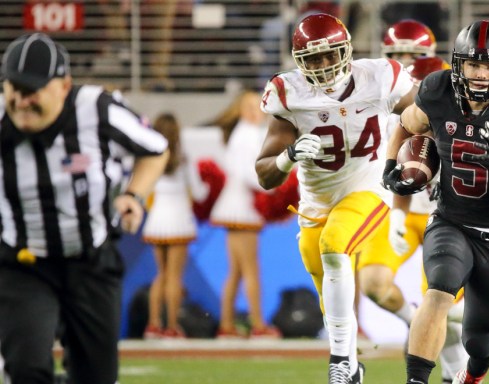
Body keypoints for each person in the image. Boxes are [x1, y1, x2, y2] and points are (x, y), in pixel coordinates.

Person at [383, 20, 489, 384]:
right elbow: (407, 121)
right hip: (451, 220)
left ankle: (471, 376)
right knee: (438, 290)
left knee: (481, 341)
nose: (480, 73)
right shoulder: (437, 90)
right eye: (473, 64)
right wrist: (390, 165)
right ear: (458, 64)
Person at [255, 13, 416, 384]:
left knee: (334, 245)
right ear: (299, 62)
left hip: (368, 188)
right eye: (313, 58)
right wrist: (289, 156)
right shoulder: (288, 92)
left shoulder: (379, 77)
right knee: (329, 284)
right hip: (315, 204)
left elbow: (423, 118)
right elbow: (265, 174)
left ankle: (340, 362)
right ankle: (355, 364)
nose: (324, 65)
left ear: (347, 50)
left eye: (330, 55)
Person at [0, 33, 169, 383]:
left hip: (90, 260)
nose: (21, 100)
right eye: (13, 88)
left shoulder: (96, 108)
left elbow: (156, 149)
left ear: (63, 86)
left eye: (32, 90)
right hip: (22, 262)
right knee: (27, 368)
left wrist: (133, 196)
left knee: (96, 376)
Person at [359, 46, 467, 382]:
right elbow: (402, 174)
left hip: (451, 218)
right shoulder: (397, 113)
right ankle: (413, 320)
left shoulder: (468, 115)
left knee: (443, 306)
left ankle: (456, 369)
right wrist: (397, 217)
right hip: (404, 210)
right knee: (374, 282)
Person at [209, 90, 280, 338]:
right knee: (250, 270)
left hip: (238, 207)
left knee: (238, 271)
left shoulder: (247, 133)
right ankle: (258, 324)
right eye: (249, 106)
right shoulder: (247, 135)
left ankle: (227, 324)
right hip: (241, 209)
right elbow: (251, 174)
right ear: (241, 110)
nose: (256, 111)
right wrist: (276, 183)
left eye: (258, 105)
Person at [142, 113, 211, 339]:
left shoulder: (150, 156)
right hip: (179, 222)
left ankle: (153, 325)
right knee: (174, 277)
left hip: (156, 222)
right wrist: (211, 186)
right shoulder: (183, 158)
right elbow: (199, 193)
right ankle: (172, 326)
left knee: (160, 275)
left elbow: (143, 190)